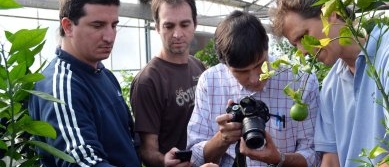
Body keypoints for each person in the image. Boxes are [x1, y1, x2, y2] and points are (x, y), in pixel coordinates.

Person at [269, 0, 389, 167]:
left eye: (303, 36)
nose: (303, 50)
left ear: (330, 12)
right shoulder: (332, 84)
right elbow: (331, 160)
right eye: (296, 45)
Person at [187, 10, 320, 167]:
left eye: (259, 65)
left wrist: (279, 159)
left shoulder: (301, 82)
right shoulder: (211, 82)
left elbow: (315, 155)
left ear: (267, 47)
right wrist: (222, 139)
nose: (255, 78)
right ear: (226, 66)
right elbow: (194, 156)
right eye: (241, 72)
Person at [28, 0, 140, 166]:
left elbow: (127, 141)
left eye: (114, 25)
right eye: (97, 25)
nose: (110, 37)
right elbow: (82, 162)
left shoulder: (104, 74)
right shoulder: (61, 86)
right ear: (68, 26)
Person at [130, 0, 206, 166]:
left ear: (195, 24)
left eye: (184, 25)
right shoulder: (148, 81)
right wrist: (164, 161)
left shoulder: (199, 67)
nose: (177, 34)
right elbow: (147, 150)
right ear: (157, 27)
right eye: (169, 26)